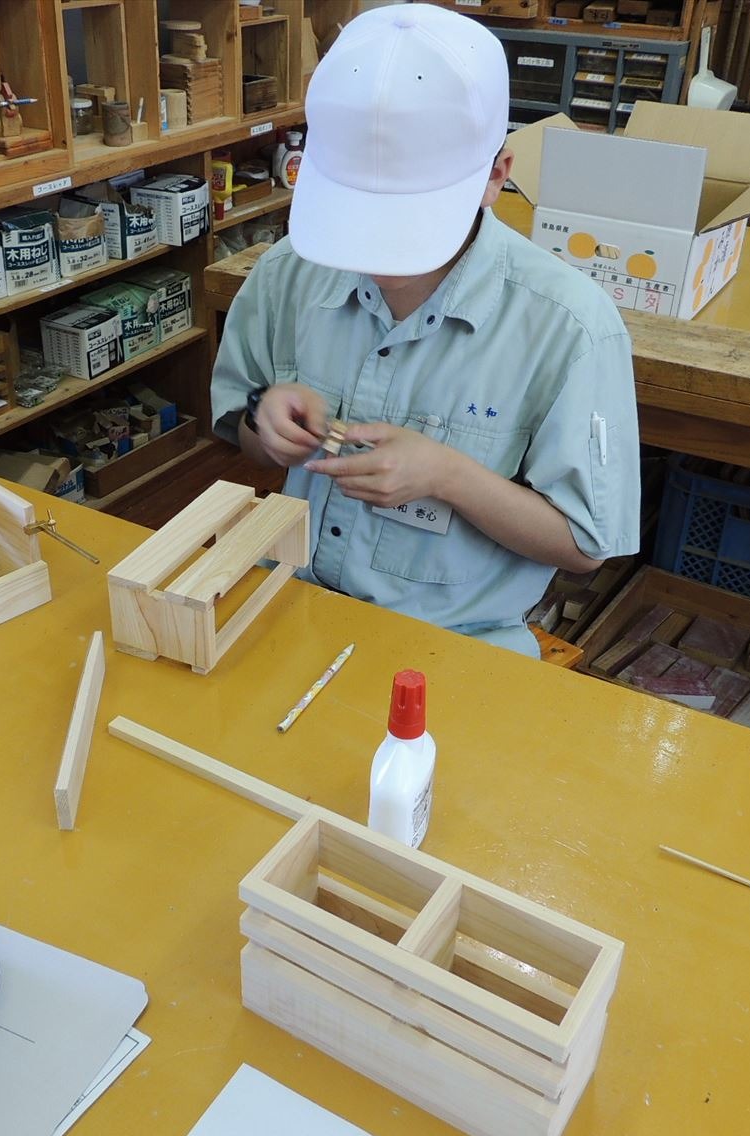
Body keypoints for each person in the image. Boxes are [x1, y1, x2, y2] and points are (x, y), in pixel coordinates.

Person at [210, 2, 639, 658]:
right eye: (358, 213)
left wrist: (448, 476)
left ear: (496, 174)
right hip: (292, 607)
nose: (377, 250)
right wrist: (263, 421)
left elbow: (585, 545)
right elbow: (244, 435)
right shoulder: (291, 275)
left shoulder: (568, 327)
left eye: (408, 220)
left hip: (454, 647)